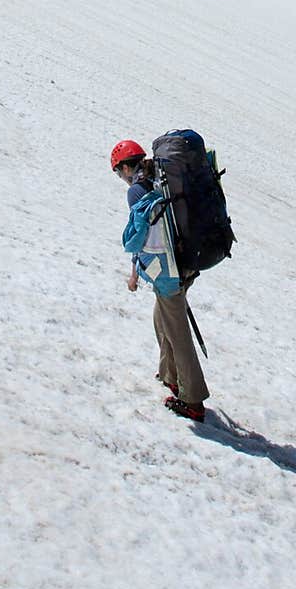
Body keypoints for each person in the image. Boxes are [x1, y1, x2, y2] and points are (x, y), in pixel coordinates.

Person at [111, 139, 209, 422]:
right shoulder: (160, 176)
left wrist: (134, 273)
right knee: (162, 318)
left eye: (119, 171)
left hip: (169, 270)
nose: (121, 177)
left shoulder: (137, 190)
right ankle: (171, 374)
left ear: (127, 166)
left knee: (177, 332)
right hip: (189, 259)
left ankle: (192, 399)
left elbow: (139, 238)